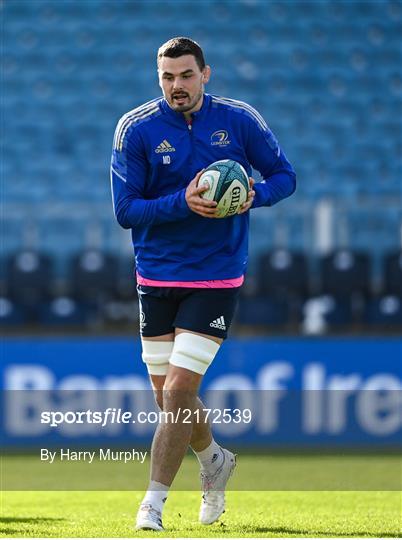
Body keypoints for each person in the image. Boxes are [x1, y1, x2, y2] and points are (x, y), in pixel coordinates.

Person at [110, 36, 296, 531]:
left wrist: (251, 195)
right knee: (167, 397)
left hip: (216, 274)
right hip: (156, 275)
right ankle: (214, 459)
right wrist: (183, 203)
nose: (177, 86)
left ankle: (151, 505)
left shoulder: (239, 119)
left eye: (186, 75)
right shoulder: (137, 128)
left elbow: (284, 176)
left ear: (205, 74)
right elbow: (125, 211)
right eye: (167, 77)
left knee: (177, 389)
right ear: (159, 78)